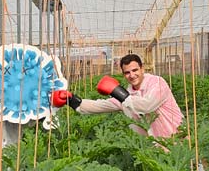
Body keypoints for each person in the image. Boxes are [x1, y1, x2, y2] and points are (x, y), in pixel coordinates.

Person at [52, 54, 184, 138]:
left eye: (135, 70)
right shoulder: (128, 95)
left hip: (177, 138)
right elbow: (102, 105)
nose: (131, 75)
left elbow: (147, 105)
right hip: (154, 145)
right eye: (127, 72)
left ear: (142, 69)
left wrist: (119, 93)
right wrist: (73, 101)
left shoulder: (158, 83)